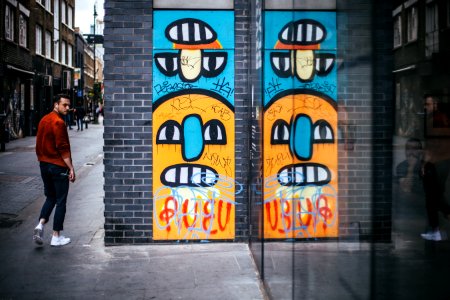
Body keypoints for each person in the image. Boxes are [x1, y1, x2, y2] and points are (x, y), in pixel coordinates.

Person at [33, 94, 76, 247]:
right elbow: (63, 149)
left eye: (68, 105)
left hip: (44, 165)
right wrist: (70, 168)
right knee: (61, 201)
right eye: (64, 105)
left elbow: (38, 144)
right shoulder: (58, 122)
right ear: (56, 105)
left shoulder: (44, 119)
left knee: (50, 197)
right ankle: (56, 236)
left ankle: (40, 224)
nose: (67, 108)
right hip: (57, 166)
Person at [420, 140, 450, 241]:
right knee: (443, 209)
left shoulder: (434, 165)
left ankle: (436, 232)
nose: (424, 153)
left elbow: (433, 180)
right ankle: (435, 232)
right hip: (433, 192)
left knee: (437, 208)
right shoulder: (428, 165)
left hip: (434, 192)